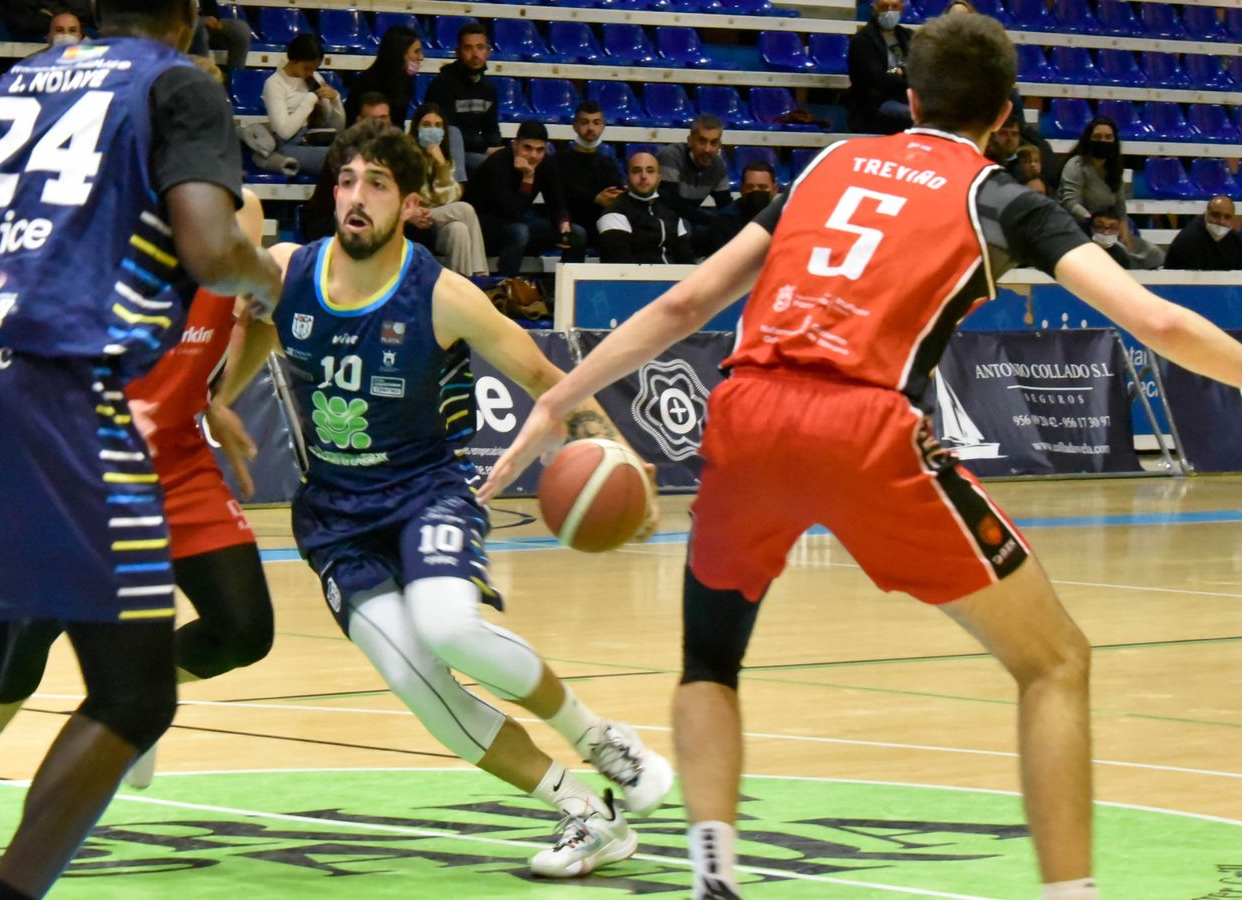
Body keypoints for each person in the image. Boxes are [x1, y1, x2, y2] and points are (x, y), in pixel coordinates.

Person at [484, 13, 1242, 899]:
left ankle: (714, 882)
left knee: (709, 666)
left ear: (909, 97)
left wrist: (558, 397)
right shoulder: (1000, 195)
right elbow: (1154, 322)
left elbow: (686, 303)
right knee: (1054, 663)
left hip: (748, 413)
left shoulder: (828, 168)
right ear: (1006, 114)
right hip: (862, 425)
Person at [0, 0, 281, 895]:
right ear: (189, 18)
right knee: (135, 694)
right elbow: (213, 252)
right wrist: (264, 275)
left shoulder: (14, 78)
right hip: (58, 383)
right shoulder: (178, 85)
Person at [214, 117, 675, 878]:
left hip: (426, 493)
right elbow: (258, 324)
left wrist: (612, 447)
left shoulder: (445, 295)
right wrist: (223, 395)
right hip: (334, 516)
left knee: (447, 627)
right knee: (414, 678)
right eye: (346, 181)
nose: (355, 198)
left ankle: (603, 743)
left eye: (377, 184)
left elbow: (545, 381)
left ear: (411, 205)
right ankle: (584, 813)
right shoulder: (287, 268)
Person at [0, 190, 277, 866]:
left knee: (243, 631)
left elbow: (267, 312)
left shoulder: (239, 220)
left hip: (178, 461)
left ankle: (140, 703)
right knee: (17, 667)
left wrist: (221, 395)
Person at [467, 121, 586, 276]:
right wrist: (528, 178)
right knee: (519, 232)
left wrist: (563, 223)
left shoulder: (546, 163)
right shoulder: (497, 163)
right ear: (515, 145)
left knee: (577, 233)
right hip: (483, 226)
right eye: (527, 148)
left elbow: (557, 202)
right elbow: (511, 212)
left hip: (518, 223)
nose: (533, 156)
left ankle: (562, 291)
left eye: (540, 150)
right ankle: (506, 288)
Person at [408, 103, 488, 276]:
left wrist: (441, 165)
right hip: (411, 217)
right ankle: (480, 277)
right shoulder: (405, 156)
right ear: (416, 128)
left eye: (438, 126)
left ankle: (460, 284)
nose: (432, 130)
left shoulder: (444, 160)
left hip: (435, 219)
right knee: (465, 209)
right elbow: (422, 197)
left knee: (459, 230)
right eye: (426, 125)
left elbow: (451, 197)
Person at [301, 93, 392, 242]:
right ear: (359, 121)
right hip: (330, 217)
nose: (379, 126)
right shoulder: (343, 151)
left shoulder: (396, 151)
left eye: (383, 119)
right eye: (372, 120)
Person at [259, 33, 345, 174]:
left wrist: (335, 100)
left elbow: (336, 127)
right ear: (293, 61)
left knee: (354, 151)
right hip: (289, 146)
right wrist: (309, 100)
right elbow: (284, 132)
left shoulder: (315, 78)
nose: (310, 72)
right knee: (337, 157)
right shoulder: (274, 84)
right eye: (307, 68)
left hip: (315, 138)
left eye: (314, 68)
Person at [423, 22, 501, 173]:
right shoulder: (442, 84)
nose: (475, 54)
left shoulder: (489, 88)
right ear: (458, 52)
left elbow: (491, 130)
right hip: (443, 152)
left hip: (476, 150)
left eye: (480, 47)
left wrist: (497, 150)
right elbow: (446, 131)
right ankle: (456, 190)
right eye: (468, 48)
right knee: (490, 167)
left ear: (488, 51)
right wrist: (485, 148)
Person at [657, 115, 736, 257]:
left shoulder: (718, 165)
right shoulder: (671, 155)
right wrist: (712, 219)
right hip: (663, 218)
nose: (707, 149)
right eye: (702, 141)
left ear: (719, 145)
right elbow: (670, 202)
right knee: (685, 227)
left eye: (713, 143)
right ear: (690, 140)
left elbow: (725, 204)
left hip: (692, 219)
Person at [597, 151, 693, 265]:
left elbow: (686, 261)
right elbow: (620, 266)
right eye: (636, 171)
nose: (643, 176)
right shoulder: (614, 213)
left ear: (659, 178)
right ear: (627, 177)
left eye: (650, 171)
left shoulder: (671, 212)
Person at [553, 102, 625, 242]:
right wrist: (595, 199)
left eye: (596, 123)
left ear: (603, 126)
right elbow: (561, 198)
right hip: (570, 223)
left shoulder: (608, 163)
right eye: (585, 122)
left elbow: (617, 192)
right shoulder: (559, 161)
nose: (591, 128)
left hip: (602, 223)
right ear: (575, 126)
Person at [847, 0, 913, 133]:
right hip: (875, 104)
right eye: (884, 7)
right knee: (917, 116)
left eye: (894, 7)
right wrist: (906, 76)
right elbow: (879, 79)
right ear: (873, 9)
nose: (890, 11)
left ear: (902, 9)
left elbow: (921, 71)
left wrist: (899, 72)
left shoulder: (909, 37)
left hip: (906, 98)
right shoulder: (862, 40)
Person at [348, 25, 422, 128]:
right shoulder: (366, 82)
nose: (421, 57)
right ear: (399, 52)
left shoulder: (406, 81)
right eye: (416, 51)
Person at [1058, 117, 1127, 224]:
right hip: (1077, 225)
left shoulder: (1114, 167)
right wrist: (1093, 221)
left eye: (1108, 137)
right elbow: (1071, 203)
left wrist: (1123, 228)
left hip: (1108, 226)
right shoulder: (1076, 165)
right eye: (1097, 137)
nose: (1103, 141)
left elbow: (1120, 205)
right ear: (1088, 140)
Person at [1164, 196, 1242, 271]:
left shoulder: (1233, 239)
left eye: (1227, 217)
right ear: (1206, 214)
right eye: (1215, 215)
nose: (1221, 222)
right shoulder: (1189, 240)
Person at [189, 0, 253, 84]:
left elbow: (211, 11)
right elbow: (170, 18)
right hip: (185, 28)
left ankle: (233, 83)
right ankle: (204, 84)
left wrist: (213, 21)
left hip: (208, 24)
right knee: (201, 32)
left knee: (241, 29)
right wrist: (202, 21)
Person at [1089, 207, 1163, 270]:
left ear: (1120, 230)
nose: (1106, 232)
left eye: (1112, 227)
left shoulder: (1121, 252)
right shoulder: (1081, 248)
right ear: (1090, 227)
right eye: (1099, 226)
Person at [727, 161, 776, 227]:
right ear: (742, 190)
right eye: (749, 187)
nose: (755, 191)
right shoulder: (726, 218)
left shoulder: (784, 218)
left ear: (774, 190)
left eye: (762, 187)